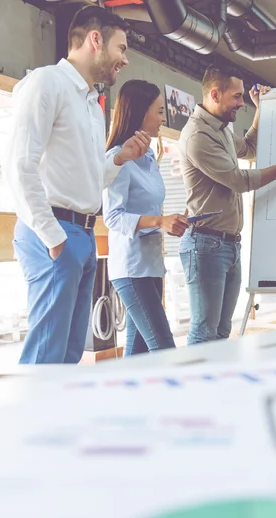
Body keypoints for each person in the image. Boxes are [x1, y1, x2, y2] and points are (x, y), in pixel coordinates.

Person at [6, 6, 150, 364]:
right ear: (95, 40)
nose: (125, 60)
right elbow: (19, 167)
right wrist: (54, 240)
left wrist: (118, 158)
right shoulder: (46, 83)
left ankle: (54, 420)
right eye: (121, 49)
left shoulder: (92, 105)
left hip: (82, 234)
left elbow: (86, 180)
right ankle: (30, 421)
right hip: (54, 233)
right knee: (46, 355)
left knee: (69, 356)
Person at [179, 64, 276, 345]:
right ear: (215, 94)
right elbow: (239, 180)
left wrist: (260, 109)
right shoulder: (198, 136)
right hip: (206, 245)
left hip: (227, 245)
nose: (241, 104)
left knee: (220, 331)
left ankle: (214, 387)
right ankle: (195, 387)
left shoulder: (222, 130)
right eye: (237, 97)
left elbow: (249, 149)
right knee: (204, 331)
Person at [104, 80, 189, 356]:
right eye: (160, 111)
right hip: (131, 269)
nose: (163, 118)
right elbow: (114, 218)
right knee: (164, 351)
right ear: (141, 113)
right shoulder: (118, 158)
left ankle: (123, 400)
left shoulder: (150, 156)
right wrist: (159, 222)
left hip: (151, 265)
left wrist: (172, 222)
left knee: (137, 355)